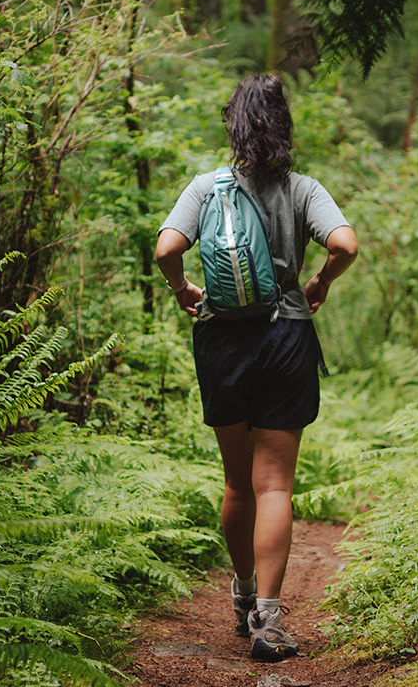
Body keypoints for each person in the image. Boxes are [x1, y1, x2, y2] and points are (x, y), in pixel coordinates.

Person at [155, 74, 358, 661]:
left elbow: (167, 248)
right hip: (285, 336)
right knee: (276, 484)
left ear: (233, 125)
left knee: (237, 482)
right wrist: (319, 280)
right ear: (284, 126)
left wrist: (182, 290)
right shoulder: (302, 189)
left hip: (222, 339)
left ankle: (242, 600)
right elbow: (344, 243)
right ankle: (269, 622)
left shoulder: (205, 187)